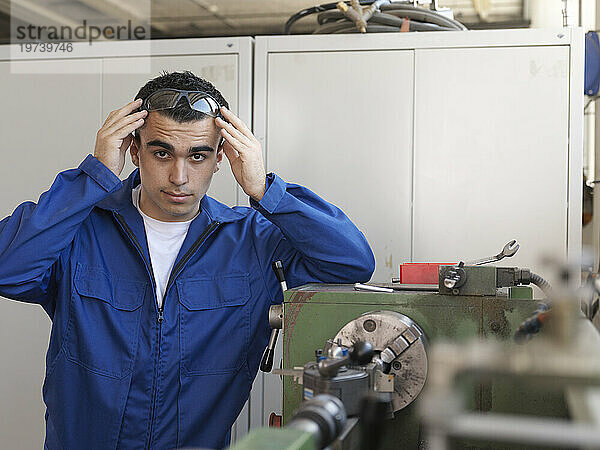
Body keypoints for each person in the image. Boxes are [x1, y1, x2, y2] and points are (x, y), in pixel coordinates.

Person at [0, 71, 374, 449]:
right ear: (134, 151)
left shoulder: (252, 243)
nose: (179, 176)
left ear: (220, 159)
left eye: (198, 156)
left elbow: (352, 262)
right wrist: (93, 178)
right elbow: (7, 269)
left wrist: (265, 190)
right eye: (162, 153)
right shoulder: (79, 231)